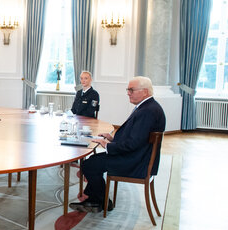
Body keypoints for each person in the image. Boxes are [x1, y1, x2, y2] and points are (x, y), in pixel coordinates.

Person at [70, 76, 166, 213]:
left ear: (145, 92)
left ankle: (101, 201)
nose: (128, 93)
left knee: (89, 165)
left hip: (135, 161)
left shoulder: (147, 111)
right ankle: (94, 199)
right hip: (137, 156)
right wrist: (112, 138)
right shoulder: (148, 107)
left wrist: (107, 145)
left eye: (131, 90)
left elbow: (133, 143)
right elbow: (136, 137)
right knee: (92, 161)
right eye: (128, 90)